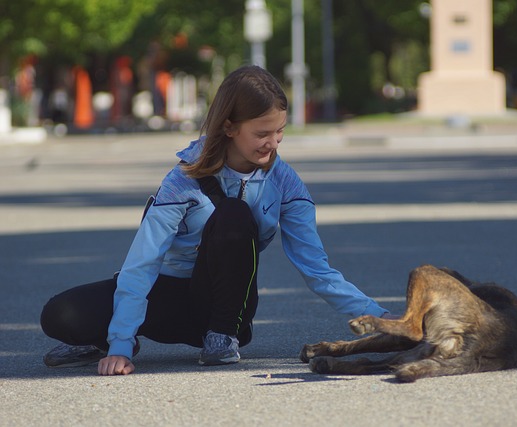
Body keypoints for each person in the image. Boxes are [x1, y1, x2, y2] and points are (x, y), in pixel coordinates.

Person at [40, 65, 391, 376]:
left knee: (234, 214)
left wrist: (382, 320)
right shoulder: (182, 180)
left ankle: (222, 336)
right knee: (60, 314)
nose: (273, 143)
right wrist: (120, 343)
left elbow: (318, 269)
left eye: (280, 131)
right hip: (168, 297)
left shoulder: (285, 182)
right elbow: (143, 263)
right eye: (262, 134)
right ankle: (112, 341)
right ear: (228, 127)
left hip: (225, 304)